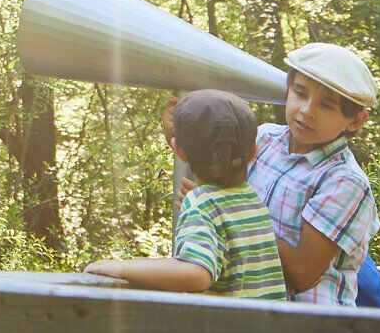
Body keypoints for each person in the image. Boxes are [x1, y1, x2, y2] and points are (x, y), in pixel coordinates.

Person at [85, 89, 289, 299]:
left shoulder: (202, 204)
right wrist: (142, 264)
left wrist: (121, 268)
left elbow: (197, 273)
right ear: (254, 151)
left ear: (179, 151)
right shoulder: (252, 199)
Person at [246, 43, 380, 306]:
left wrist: (234, 216)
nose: (307, 110)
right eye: (300, 93)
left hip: (308, 324)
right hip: (251, 312)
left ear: (355, 121)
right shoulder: (261, 139)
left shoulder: (344, 181)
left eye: (326, 106)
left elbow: (301, 273)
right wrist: (180, 133)